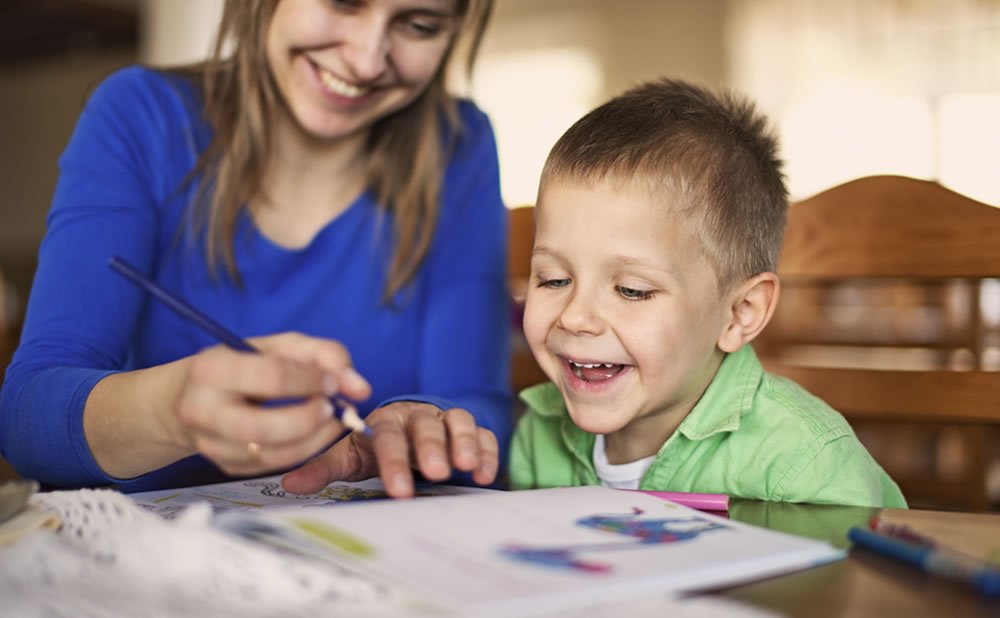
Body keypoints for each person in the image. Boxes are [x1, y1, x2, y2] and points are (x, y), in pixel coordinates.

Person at [0, 0, 511, 498]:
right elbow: (26, 416)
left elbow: (482, 405)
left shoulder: (459, 144)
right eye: (342, 3)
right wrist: (171, 411)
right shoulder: (141, 114)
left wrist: (430, 423)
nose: (366, 61)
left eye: (419, 25)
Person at [509, 78, 906, 508]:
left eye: (631, 290)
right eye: (553, 279)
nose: (574, 317)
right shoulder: (537, 434)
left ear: (740, 313)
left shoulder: (805, 465)